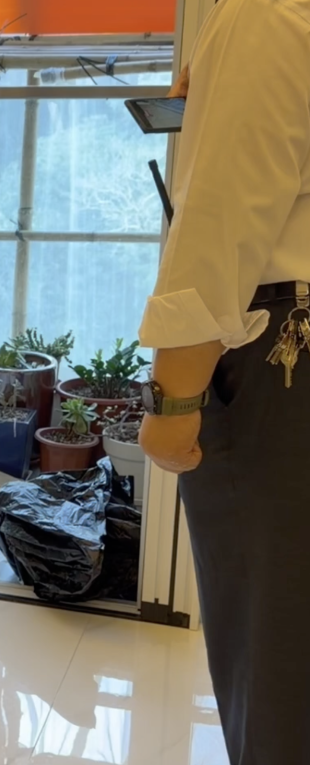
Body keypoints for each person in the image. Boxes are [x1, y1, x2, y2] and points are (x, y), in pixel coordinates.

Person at [137, 1, 310, 762]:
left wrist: (172, 402)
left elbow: (218, 225)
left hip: (284, 362)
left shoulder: (267, 14)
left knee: (279, 670)